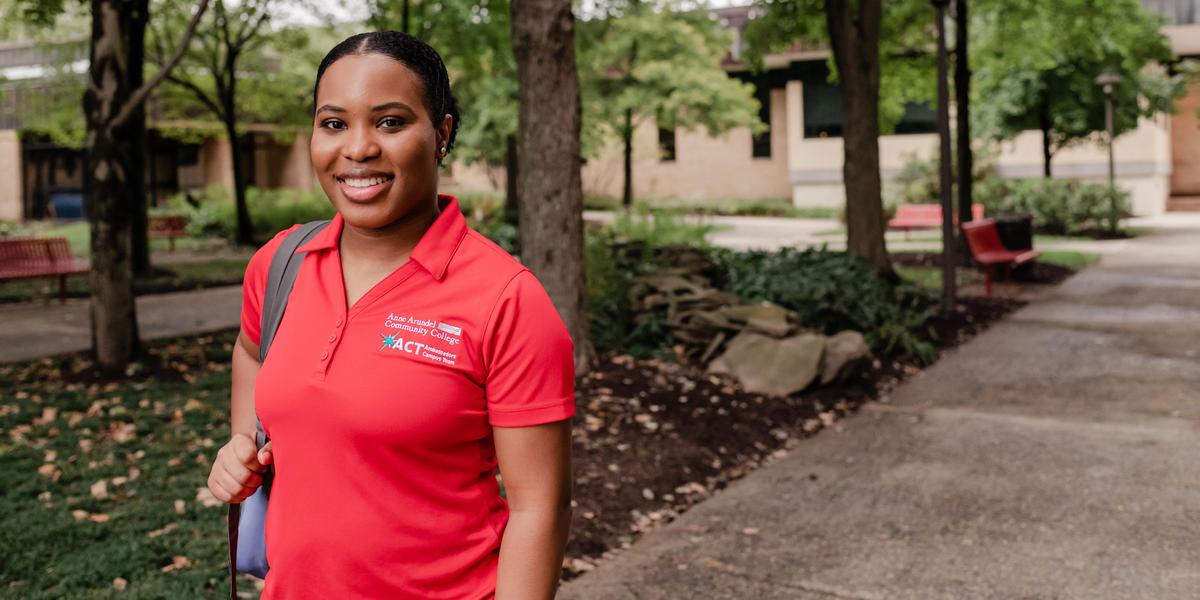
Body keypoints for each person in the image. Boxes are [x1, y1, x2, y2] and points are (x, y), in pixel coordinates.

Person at [205, 31, 575, 599]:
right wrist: (241, 442)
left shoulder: (506, 300)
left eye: (390, 122)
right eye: (334, 124)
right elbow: (251, 351)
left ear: (442, 133)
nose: (357, 148)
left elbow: (539, 508)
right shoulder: (279, 265)